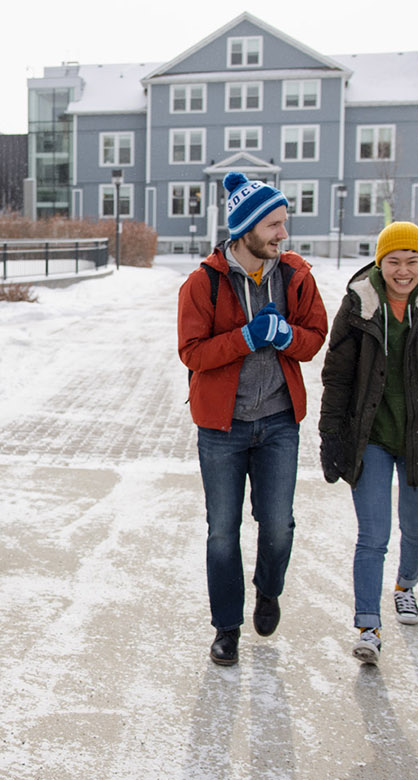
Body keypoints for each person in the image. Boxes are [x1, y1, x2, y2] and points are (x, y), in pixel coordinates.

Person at [177, 171, 328, 666]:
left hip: (280, 422)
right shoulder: (203, 284)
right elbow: (192, 353)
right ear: (246, 228)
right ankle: (227, 627)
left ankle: (268, 590)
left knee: (278, 526)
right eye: (274, 225)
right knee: (222, 530)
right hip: (222, 429)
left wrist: (286, 337)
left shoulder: (295, 275)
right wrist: (246, 338)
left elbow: (314, 337)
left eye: (284, 224)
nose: (283, 235)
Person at [318, 222, 418, 665]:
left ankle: (406, 586)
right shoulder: (359, 304)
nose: (403, 271)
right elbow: (338, 376)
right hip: (373, 438)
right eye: (393, 261)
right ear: (379, 263)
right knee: (373, 535)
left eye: (412, 261)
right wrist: (331, 435)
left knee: (415, 527)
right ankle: (368, 625)